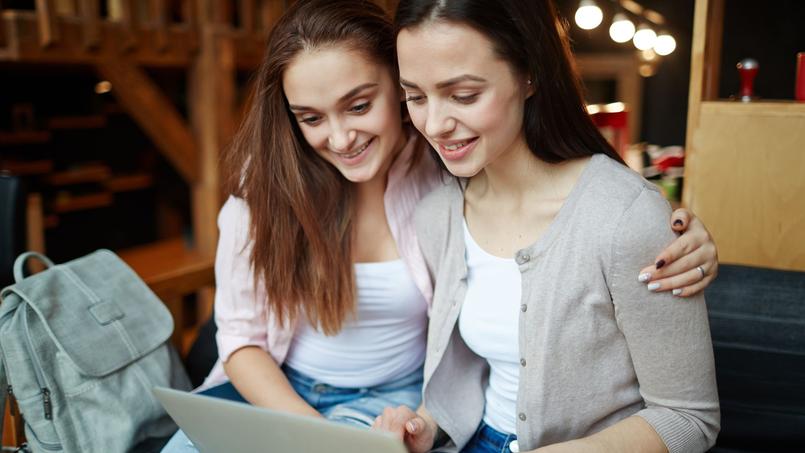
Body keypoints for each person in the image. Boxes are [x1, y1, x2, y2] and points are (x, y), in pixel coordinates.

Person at [163, 0, 718, 451]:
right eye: (418, 97)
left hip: (393, 401)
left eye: (359, 105)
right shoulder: (441, 202)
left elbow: (686, 414)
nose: (339, 136)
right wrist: (354, 431)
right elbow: (239, 339)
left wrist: (678, 230)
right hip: (317, 400)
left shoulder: (439, 179)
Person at [372, 1, 720, 452]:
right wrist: (426, 426)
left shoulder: (625, 217)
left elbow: (689, 418)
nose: (434, 124)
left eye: (463, 95)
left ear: (529, 74)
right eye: (415, 97)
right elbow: (476, 371)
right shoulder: (437, 214)